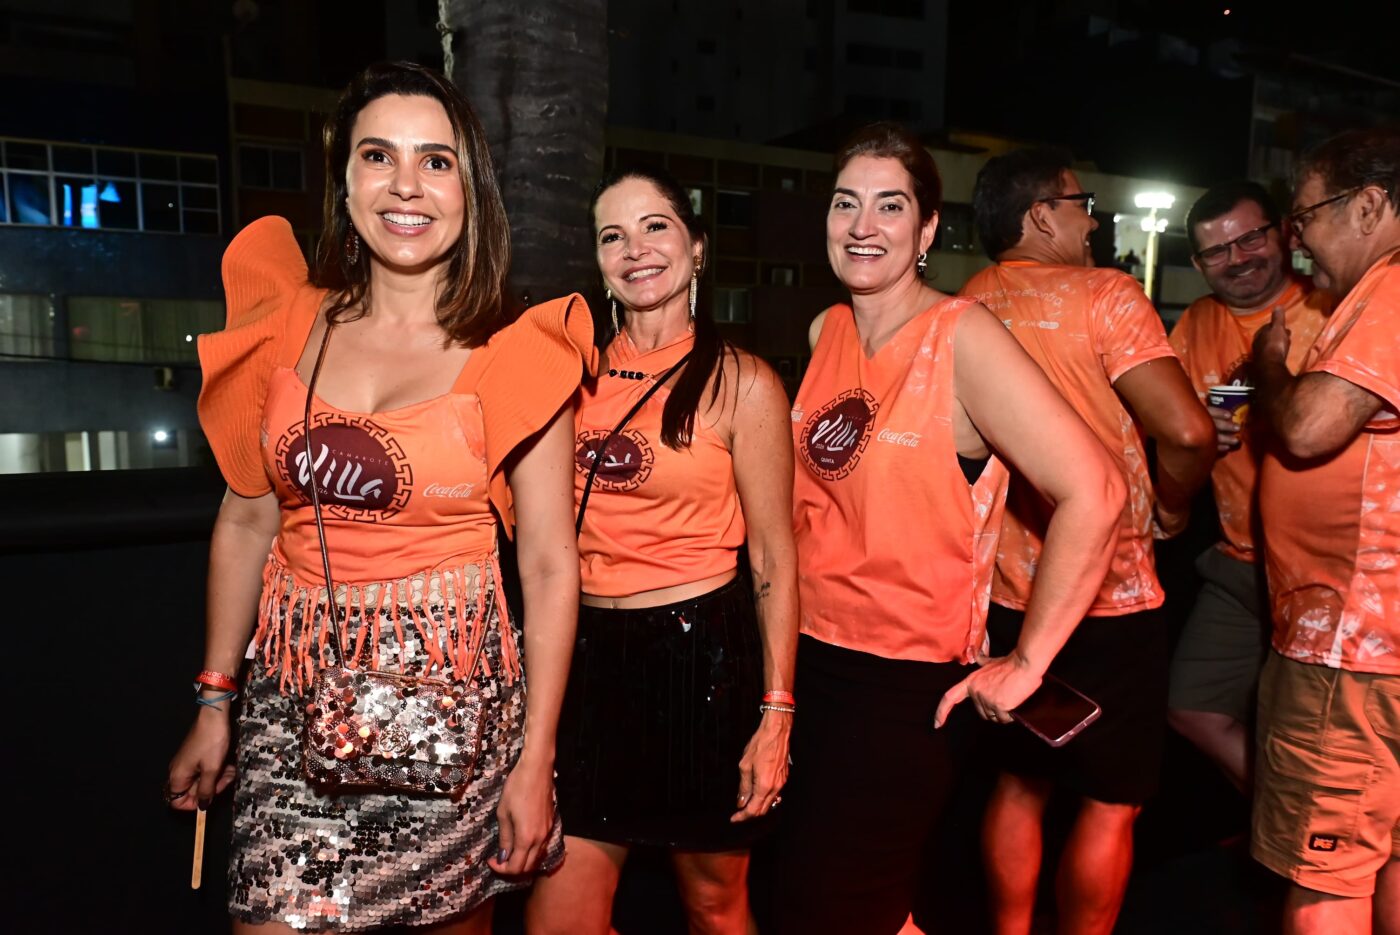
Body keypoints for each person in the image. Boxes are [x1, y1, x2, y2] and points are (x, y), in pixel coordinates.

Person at [164, 62, 593, 933]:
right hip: (293, 706)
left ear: (470, 186)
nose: (407, 185)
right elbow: (247, 517)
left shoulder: (522, 348)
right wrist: (216, 698)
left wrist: (536, 758)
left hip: (455, 718)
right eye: (377, 155)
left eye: (436, 161)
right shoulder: (289, 320)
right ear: (345, 179)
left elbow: (548, 565)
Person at [771, 122, 1125, 935]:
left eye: (890, 207)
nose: (863, 225)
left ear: (928, 229)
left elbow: (1096, 490)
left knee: (841, 905)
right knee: (827, 899)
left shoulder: (963, 335)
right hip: (810, 663)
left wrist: (1028, 660)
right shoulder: (826, 331)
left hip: (905, 685)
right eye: (845, 204)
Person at [526, 166, 798, 935]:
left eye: (656, 227)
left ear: (698, 249)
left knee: (713, 906)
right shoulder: (565, 376)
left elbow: (775, 560)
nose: (635, 248)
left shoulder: (742, 383)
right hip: (585, 664)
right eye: (613, 234)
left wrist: (776, 714)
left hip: (700, 664)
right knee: (559, 922)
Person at [960, 146, 1215, 935]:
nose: (1093, 219)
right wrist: (1171, 508)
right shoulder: (1106, 294)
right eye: (1083, 204)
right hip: (1111, 594)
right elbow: (1186, 428)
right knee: (1111, 803)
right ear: (1042, 214)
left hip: (1010, 594)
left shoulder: (967, 301)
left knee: (1019, 783)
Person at [1251, 126, 1400, 935]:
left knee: (1327, 877)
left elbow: (1309, 428)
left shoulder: (1390, 289)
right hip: (1384, 642)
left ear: (1371, 204)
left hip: (1352, 644)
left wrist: (1270, 363)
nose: (1295, 238)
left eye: (1304, 217)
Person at [1165, 180, 1332, 793]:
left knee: (1313, 733)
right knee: (1192, 707)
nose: (1238, 259)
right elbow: (1173, 423)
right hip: (1238, 560)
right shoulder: (1196, 323)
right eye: (1217, 252)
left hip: (1325, 568)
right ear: (1199, 263)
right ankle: (1276, 824)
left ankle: (1322, 854)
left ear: (1284, 232)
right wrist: (1188, 427)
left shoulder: (1327, 307)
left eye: (1251, 238)